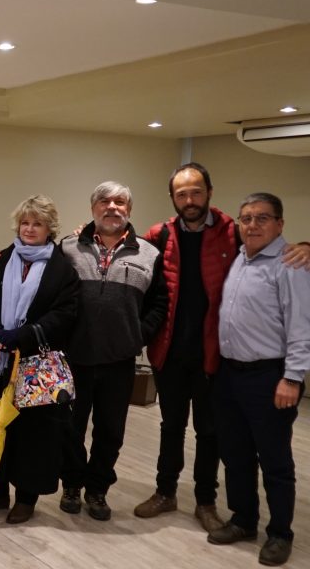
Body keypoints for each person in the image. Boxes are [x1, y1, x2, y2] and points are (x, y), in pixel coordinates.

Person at [134, 163, 310, 532]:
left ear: (210, 192)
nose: (189, 199)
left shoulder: (233, 233)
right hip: (171, 353)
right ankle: (165, 492)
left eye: (196, 191)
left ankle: (205, 501)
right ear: (173, 198)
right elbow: (128, 256)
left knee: (211, 432)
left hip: (215, 356)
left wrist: (307, 247)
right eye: (181, 193)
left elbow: (285, 265)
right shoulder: (159, 235)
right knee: (172, 426)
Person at [0, 195, 79, 524]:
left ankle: (26, 499)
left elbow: (64, 314)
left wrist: (22, 335)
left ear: (49, 228)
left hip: (37, 363)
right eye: (25, 222)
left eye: (37, 223)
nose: (29, 228)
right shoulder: (0, 261)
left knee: (34, 435)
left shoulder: (62, 269)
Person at [209, 193, 310, 567]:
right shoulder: (239, 257)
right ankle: (243, 520)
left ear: (280, 224)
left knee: (275, 460)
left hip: (270, 377)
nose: (252, 225)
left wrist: (292, 378)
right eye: (246, 218)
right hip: (229, 375)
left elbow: (301, 328)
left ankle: (280, 533)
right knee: (235, 455)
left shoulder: (291, 264)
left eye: (262, 218)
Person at [58, 181, 167, 521]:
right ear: (93, 208)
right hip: (74, 358)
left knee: (110, 432)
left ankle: (98, 490)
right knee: (70, 428)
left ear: (129, 210)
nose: (112, 207)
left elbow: (159, 304)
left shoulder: (149, 254)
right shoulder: (67, 248)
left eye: (120, 202)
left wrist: (137, 337)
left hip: (120, 360)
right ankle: (72, 485)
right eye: (104, 201)